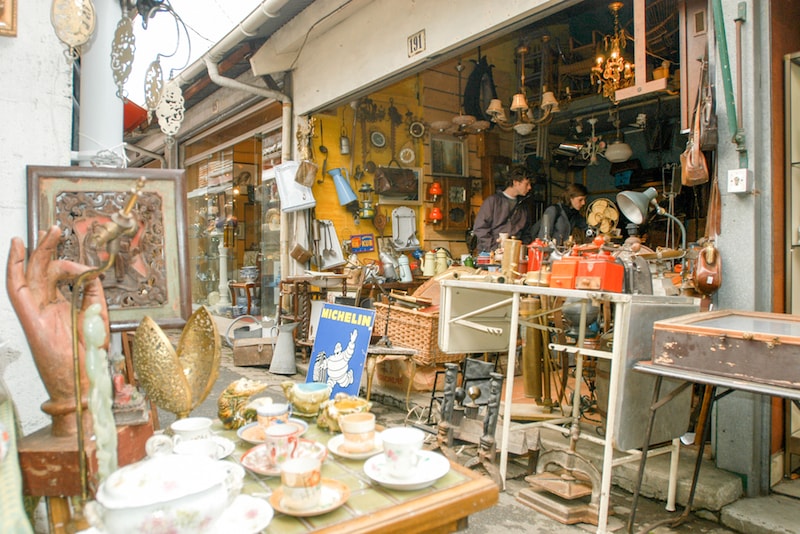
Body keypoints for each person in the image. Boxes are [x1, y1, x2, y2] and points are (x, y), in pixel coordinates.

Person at [472, 165, 532, 252]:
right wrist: (495, 248)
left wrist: (520, 249)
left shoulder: (524, 207)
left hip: (514, 254)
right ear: (515, 182)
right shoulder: (492, 201)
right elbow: (480, 228)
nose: (530, 187)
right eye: (527, 184)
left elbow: (527, 234)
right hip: (491, 254)